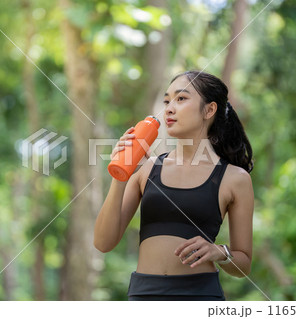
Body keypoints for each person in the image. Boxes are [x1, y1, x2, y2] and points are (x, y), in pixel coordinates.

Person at [94, 70, 254, 301]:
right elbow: (103, 243)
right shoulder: (146, 169)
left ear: (209, 110)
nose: (169, 108)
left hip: (200, 296)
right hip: (143, 296)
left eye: (181, 99)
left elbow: (244, 265)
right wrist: (121, 175)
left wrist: (218, 251)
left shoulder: (235, 178)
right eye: (167, 101)